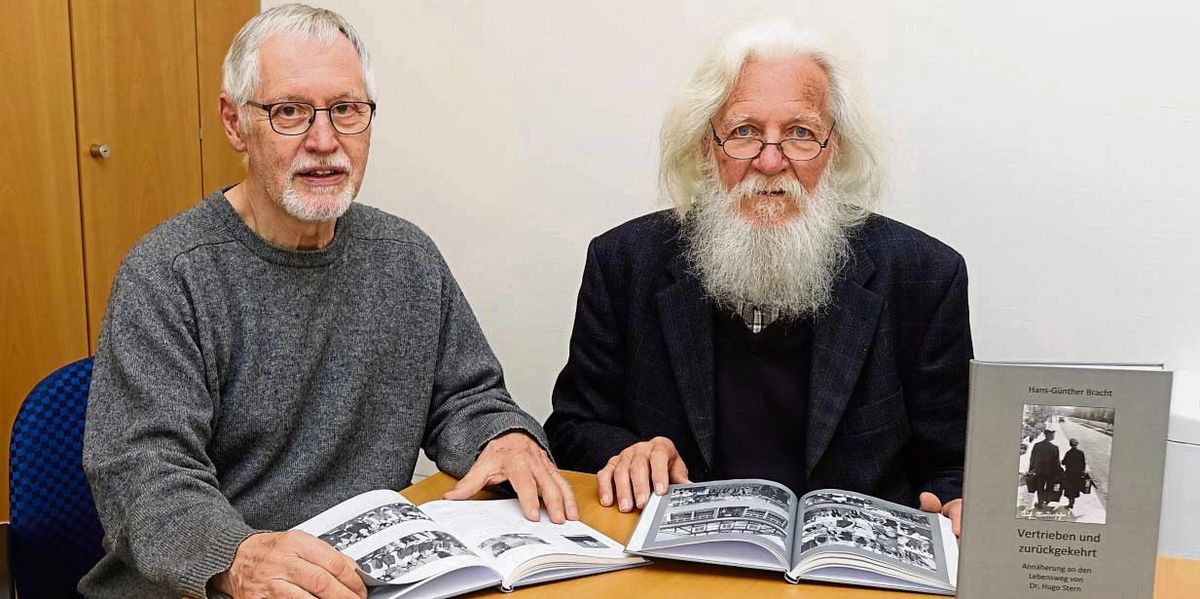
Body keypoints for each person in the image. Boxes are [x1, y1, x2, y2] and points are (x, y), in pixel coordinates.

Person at [81, 5, 575, 598]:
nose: (324, 141)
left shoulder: (405, 255)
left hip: (362, 576)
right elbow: (143, 472)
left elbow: (467, 396)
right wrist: (237, 557)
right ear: (235, 123)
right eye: (289, 112)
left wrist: (504, 438)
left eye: (345, 110)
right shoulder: (169, 274)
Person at [545, 19, 971, 535]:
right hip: (675, 562)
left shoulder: (924, 275)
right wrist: (626, 451)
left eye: (800, 133)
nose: (771, 161)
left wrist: (956, 501)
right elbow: (571, 427)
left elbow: (955, 461)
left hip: (847, 572)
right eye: (744, 132)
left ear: (834, 150)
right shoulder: (624, 262)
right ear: (707, 146)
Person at [1029, 429, 1064, 509]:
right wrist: (1059, 471)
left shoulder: (1037, 445)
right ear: (1049, 436)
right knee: (1049, 486)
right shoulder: (1054, 447)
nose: (1053, 436)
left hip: (1039, 471)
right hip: (1050, 472)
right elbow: (1056, 462)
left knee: (1040, 487)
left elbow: (1032, 459)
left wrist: (1031, 469)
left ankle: (1040, 503)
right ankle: (1047, 500)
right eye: (1053, 435)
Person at [1061, 438, 1088, 509]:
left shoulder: (1068, 453)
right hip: (1077, 474)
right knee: (1075, 488)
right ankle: (1072, 502)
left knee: (1069, 488)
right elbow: (1083, 463)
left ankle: (1070, 502)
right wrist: (1082, 471)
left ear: (1070, 444)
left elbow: (1063, 462)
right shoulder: (1081, 453)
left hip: (1069, 474)